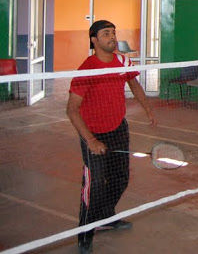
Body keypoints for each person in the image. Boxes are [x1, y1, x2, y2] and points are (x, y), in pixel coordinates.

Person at [66, 20, 157, 254]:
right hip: (93, 133)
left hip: (118, 129)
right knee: (95, 185)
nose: (112, 37)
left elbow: (134, 84)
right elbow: (72, 110)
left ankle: (105, 217)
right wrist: (91, 140)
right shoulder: (87, 70)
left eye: (114, 33)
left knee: (120, 178)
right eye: (106, 34)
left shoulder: (123, 61)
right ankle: (85, 234)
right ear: (94, 40)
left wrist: (147, 108)